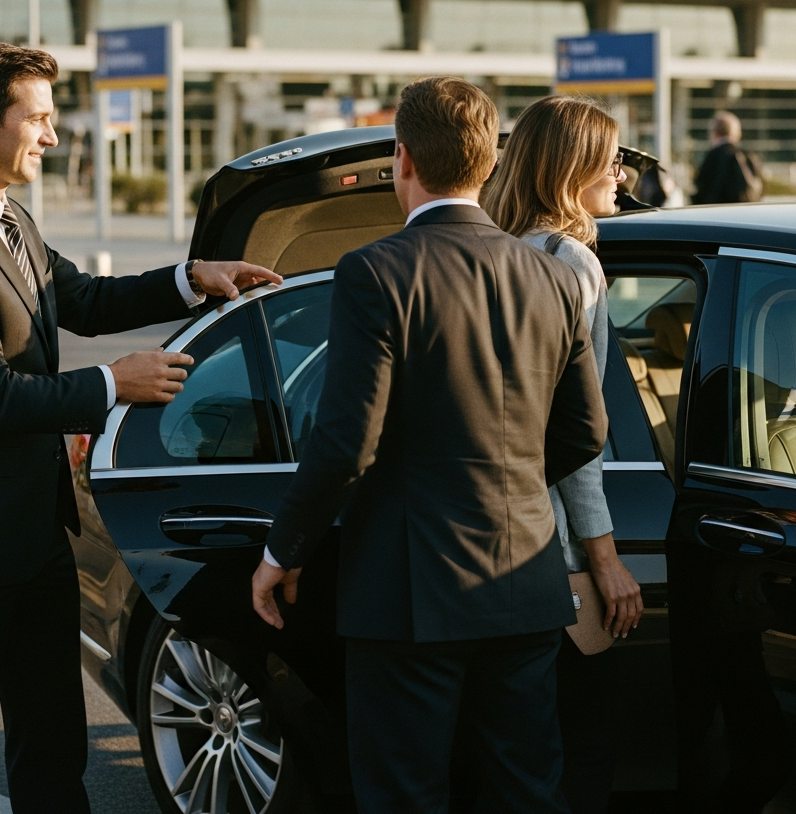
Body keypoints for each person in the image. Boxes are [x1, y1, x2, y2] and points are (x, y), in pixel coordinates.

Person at [0, 39, 280, 814]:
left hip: (33, 537)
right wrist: (110, 384)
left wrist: (194, 279)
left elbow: (82, 298)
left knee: (54, 751)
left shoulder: (8, 217)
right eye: (41, 119)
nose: (54, 136)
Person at [252, 76, 609, 814]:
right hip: (527, 584)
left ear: (401, 158)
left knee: (405, 794)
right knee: (527, 791)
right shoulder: (552, 274)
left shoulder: (375, 271)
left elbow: (347, 442)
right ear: (485, 164)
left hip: (409, 592)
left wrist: (283, 550)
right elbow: (586, 431)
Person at [482, 95, 644, 814]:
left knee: (516, 755)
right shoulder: (571, 261)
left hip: (492, 544)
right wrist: (603, 559)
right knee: (582, 754)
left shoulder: (495, 250)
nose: (620, 171)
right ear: (568, 167)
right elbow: (576, 431)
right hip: (556, 551)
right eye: (608, 157)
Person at [691, 110, 762, 205]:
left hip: (718, 214)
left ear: (714, 133)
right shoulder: (749, 156)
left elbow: (702, 192)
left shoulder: (713, 157)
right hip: (746, 214)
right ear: (737, 133)